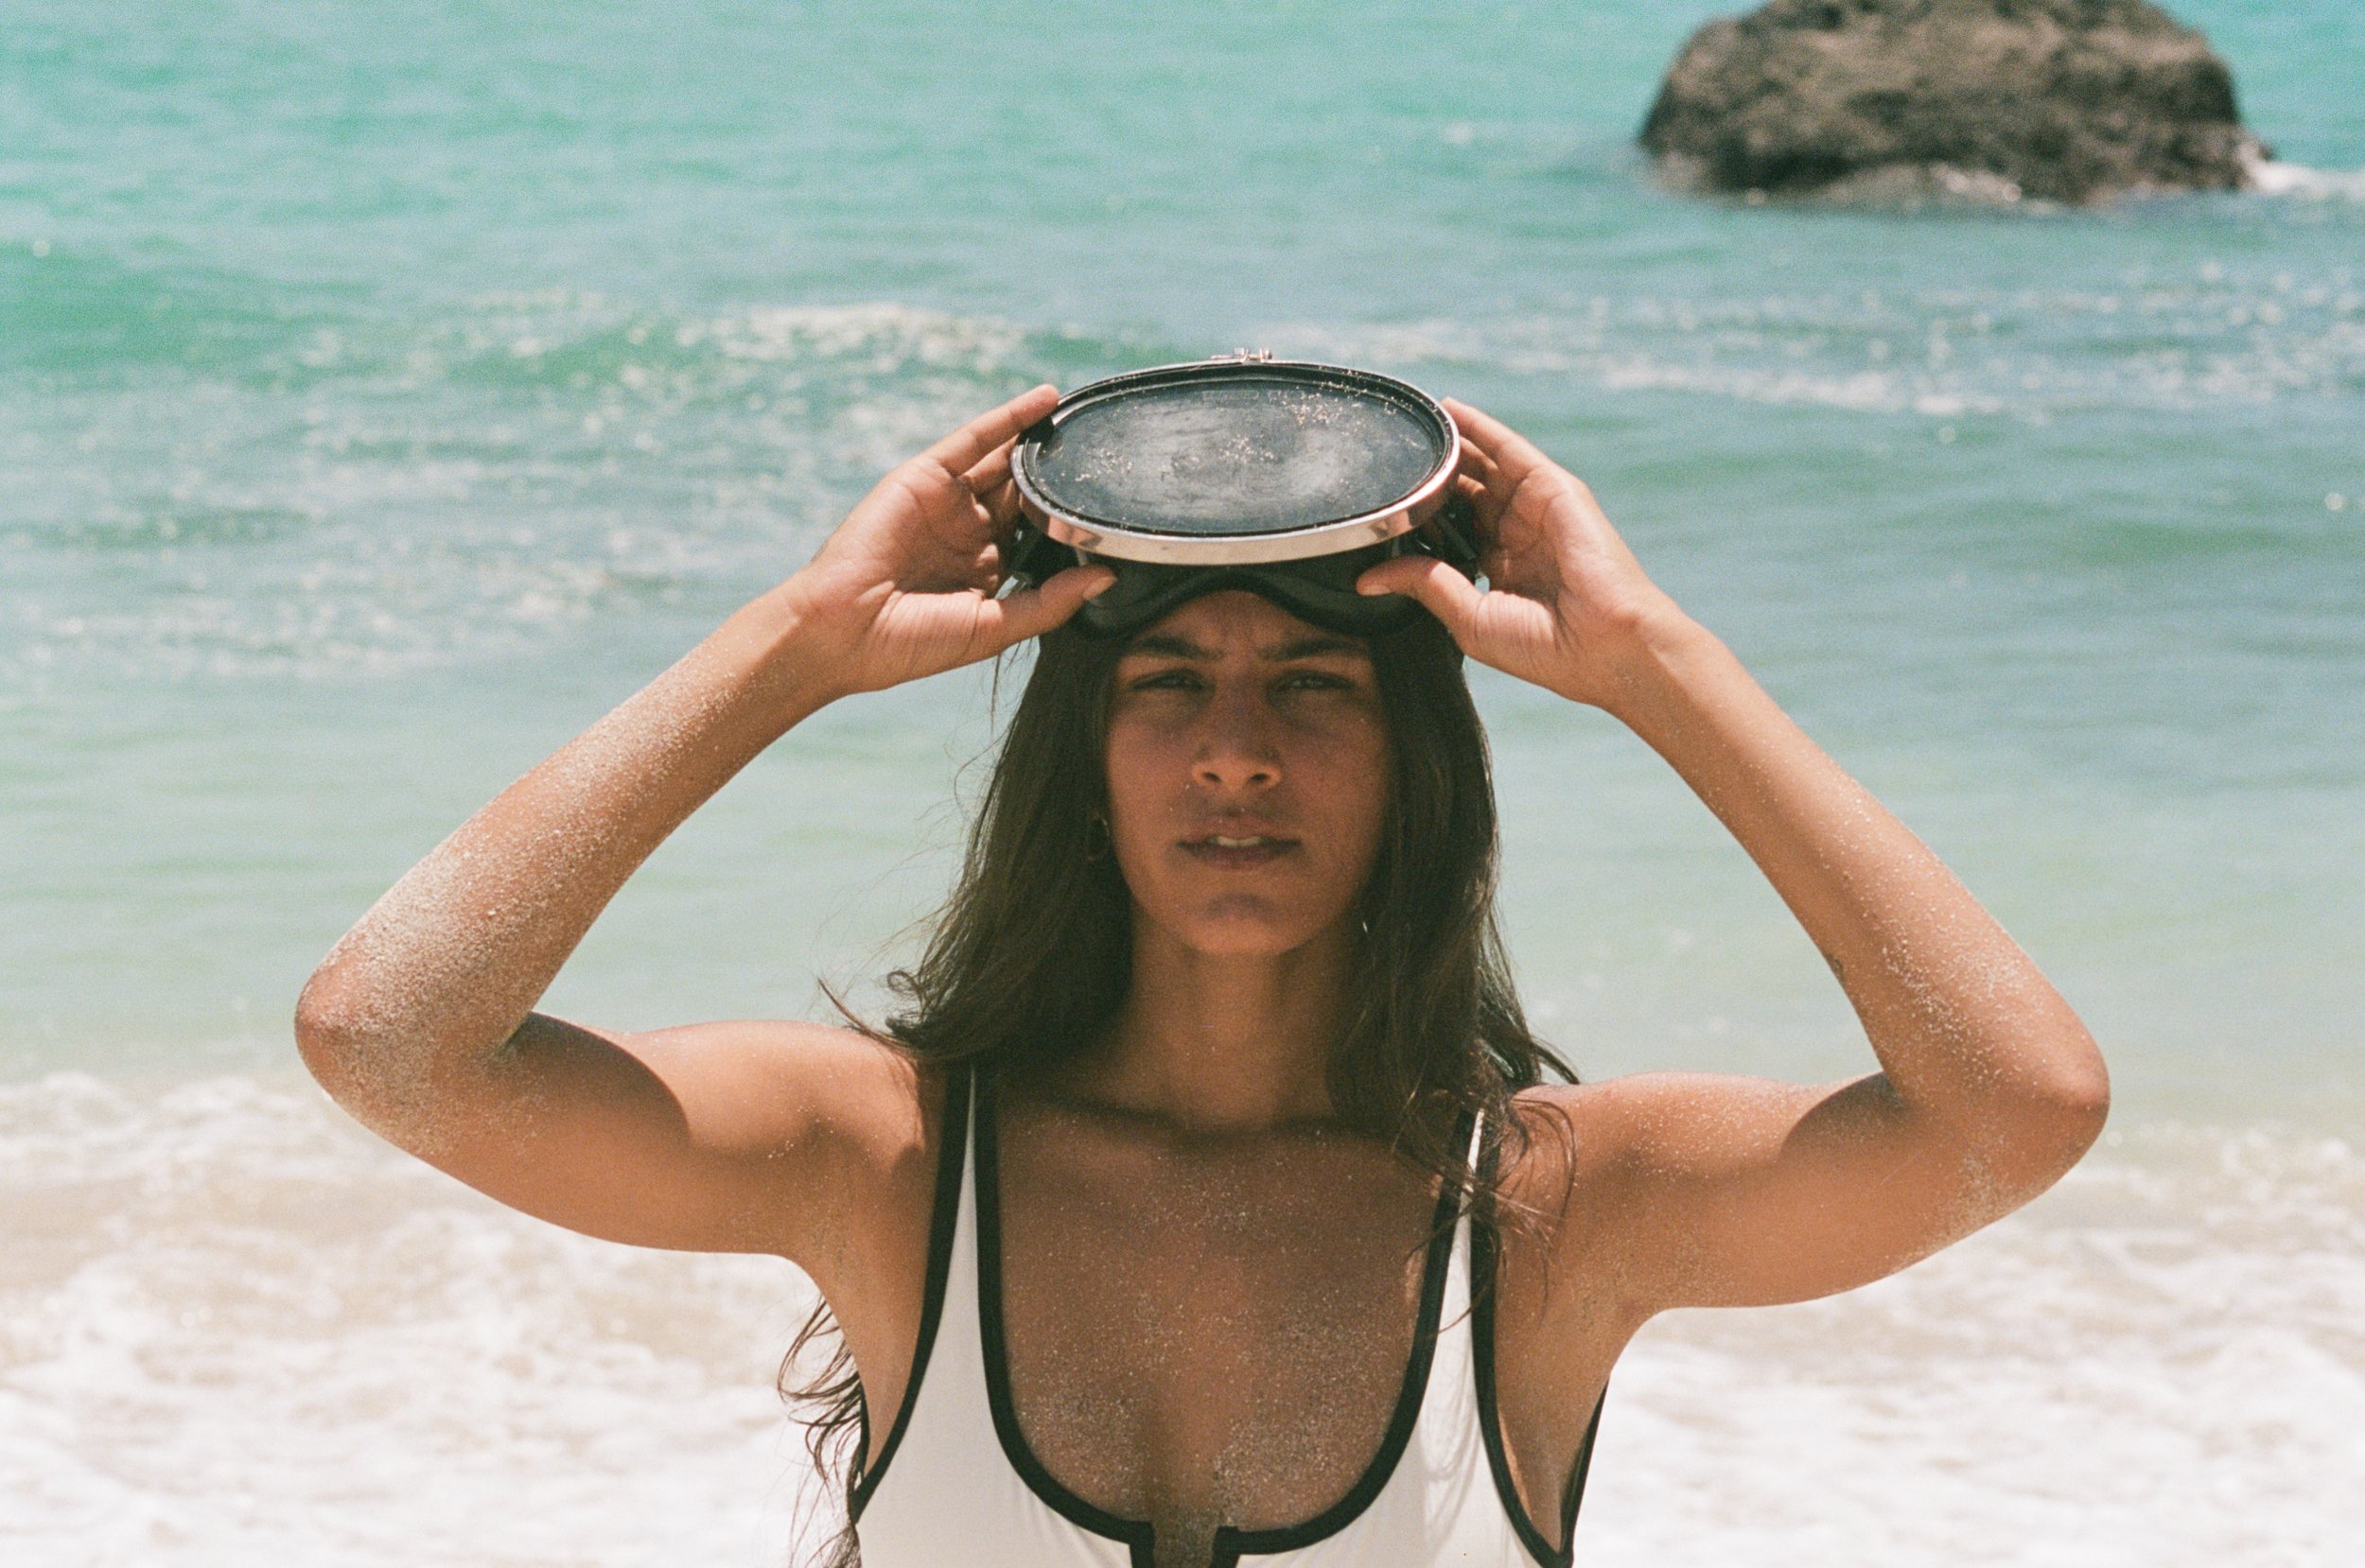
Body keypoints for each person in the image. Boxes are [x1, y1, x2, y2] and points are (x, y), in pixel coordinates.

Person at [294, 383, 2110, 1568]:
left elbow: (2015, 1105)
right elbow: (391, 1037)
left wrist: (1650, 659)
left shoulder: (1549, 1210)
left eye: (1312, 692)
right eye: (1169, 687)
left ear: (1417, 768)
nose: (1235, 752)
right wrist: (798, 642)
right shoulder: (894, 1158)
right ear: (1084, 761)